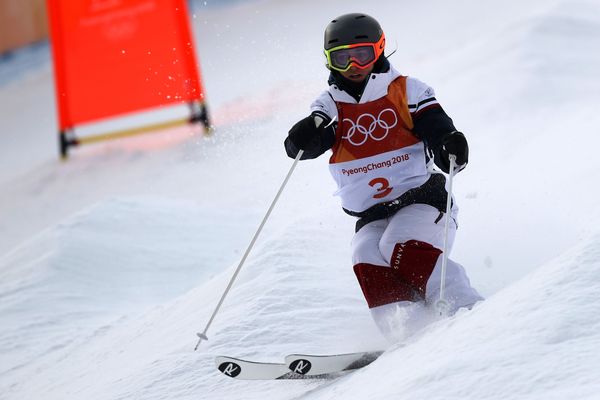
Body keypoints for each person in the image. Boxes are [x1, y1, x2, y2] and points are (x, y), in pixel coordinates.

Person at [284, 13, 483, 342]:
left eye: (361, 54)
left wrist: (448, 144)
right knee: (364, 252)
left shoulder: (406, 90)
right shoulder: (330, 104)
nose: (353, 66)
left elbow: (436, 127)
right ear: (328, 60)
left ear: (379, 49)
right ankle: (407, 330)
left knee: (397, 244)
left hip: (424, 201)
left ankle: (466, 306)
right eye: (341, 57)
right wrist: (302, 138)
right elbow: (304, 146)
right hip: (372, 214)